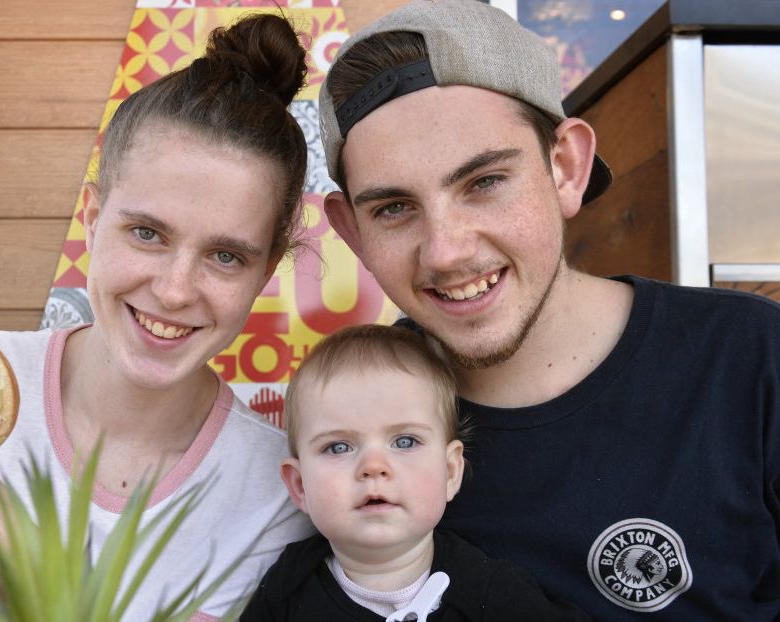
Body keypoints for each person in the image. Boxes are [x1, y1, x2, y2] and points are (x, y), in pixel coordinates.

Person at [0, 13, 316, 621]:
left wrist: (13, 605)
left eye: (226, 256)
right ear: (93, 220)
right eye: (146, 233)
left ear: (267, 268)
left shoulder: (281, 497)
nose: (174, 291)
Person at [317, 0, 780, 620]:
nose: (447, 252)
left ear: (565, 168)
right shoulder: (348, 423)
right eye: (394, 208)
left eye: (483, 182)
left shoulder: (751, 360)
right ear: (352, 234)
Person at [241, 324, 591, 621]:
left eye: (405, 442)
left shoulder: (488, 592)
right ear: (300, 485)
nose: (373, 467)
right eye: (339, 447)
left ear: (451, 470)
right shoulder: (289, 587)